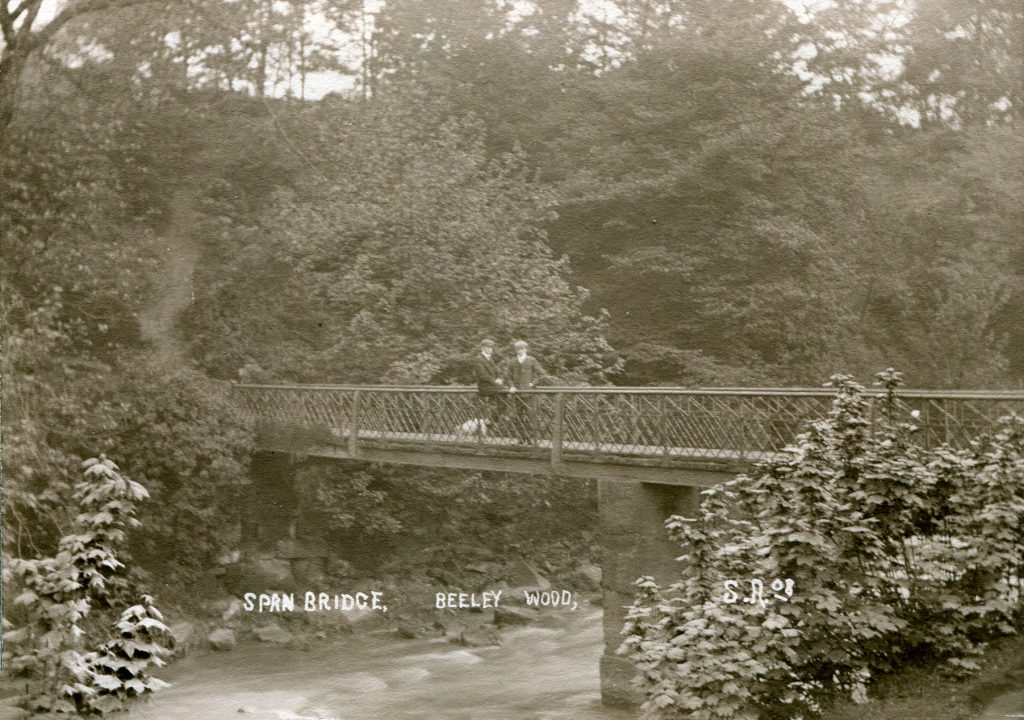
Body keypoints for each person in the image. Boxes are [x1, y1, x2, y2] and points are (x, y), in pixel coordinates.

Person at [507, 340, 547, 443]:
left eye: (522, 348)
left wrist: (532, 384)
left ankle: (530, 439)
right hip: (517, 394)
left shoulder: (531, 360)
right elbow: (508, 376)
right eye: (517, 349)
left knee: (531, 415)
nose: (519, 351)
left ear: (525, 349)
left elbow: (542, 374)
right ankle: (520, 438)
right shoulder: (512, 361)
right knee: (517, 416)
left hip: (529, 394)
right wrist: (511, 386)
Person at [474, 338, 508, 428]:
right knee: (505, 392)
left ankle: (491, 420)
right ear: (482, 348)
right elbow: (482, 375)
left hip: (492, 386)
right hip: (484, 387)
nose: (490, 349)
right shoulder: (479, 359)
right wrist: (495, 381)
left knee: (505, 395)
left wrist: (500, 378)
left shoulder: (491, 359)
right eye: (488, 347)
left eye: (491, 348)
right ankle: (492, 420)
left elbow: (497, 372)